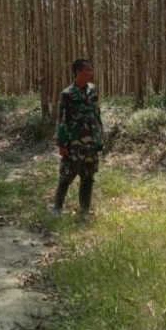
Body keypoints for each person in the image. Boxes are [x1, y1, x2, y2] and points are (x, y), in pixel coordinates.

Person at [52, 58, 104, 216]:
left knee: (88, 177)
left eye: (90, 69)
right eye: (87, 69)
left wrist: (100, 138)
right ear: (77, 72)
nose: (90, 72)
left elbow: (97, 116)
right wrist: (61, 144)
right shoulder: (67, 94)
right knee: (66, 176)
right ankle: (57, 210)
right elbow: (62, 120)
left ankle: (84, 210)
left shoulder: (93, 91)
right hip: (73, 144)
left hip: (91, 145)